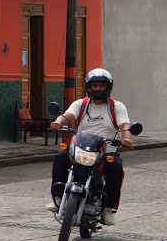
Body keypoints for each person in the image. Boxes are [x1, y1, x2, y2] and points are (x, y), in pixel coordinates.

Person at [48, 68, 133, 225]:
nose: (98, 89)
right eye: (95, 85)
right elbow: (68, 115)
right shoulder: (81, 104)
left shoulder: (117, 107)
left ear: (108, 87)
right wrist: (59, 122)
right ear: (89, 86)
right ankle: (58, 199)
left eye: (102, 85)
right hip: (81, 148)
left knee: (115, 166)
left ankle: (108, 208)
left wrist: (126, 138)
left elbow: (124, 125)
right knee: (60, 157)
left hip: (106, 150)